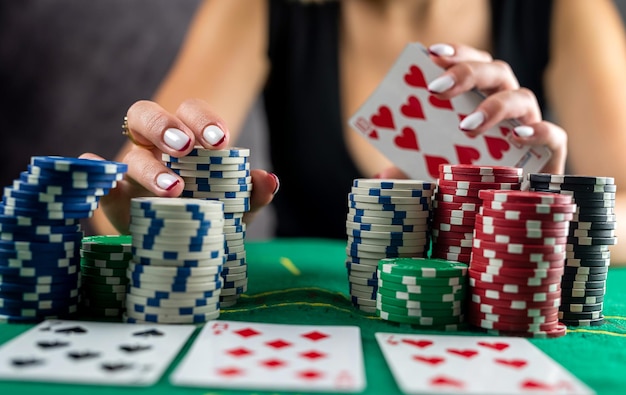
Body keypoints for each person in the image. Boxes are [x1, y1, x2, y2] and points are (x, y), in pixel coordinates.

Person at [83, 0, 626, 265]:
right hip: (314, 319)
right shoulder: (260, 6)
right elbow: (139, 187)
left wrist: (540, 212)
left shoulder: (565, 7)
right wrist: (152, 201)